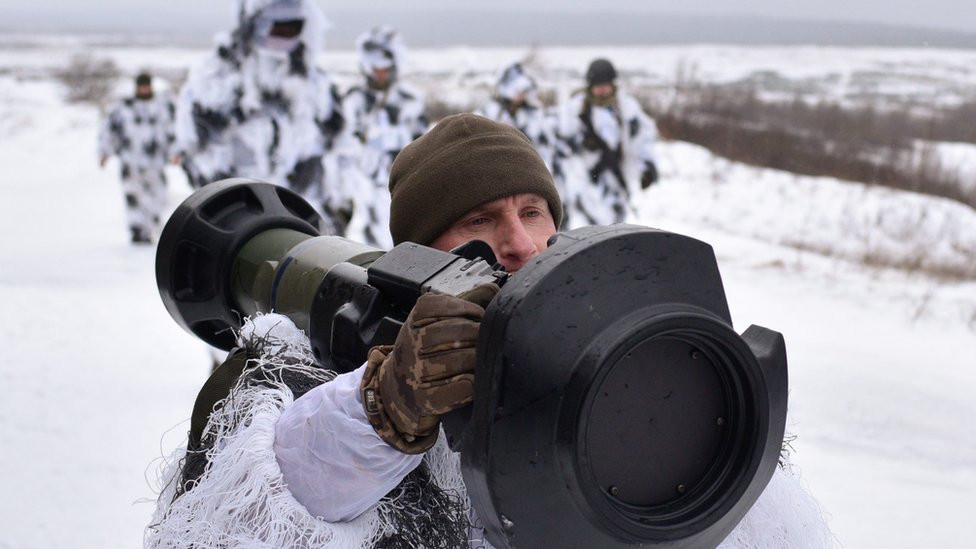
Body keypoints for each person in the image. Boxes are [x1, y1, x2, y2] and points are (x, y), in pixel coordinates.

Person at [147, 115, 832, 548]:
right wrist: (386, 409)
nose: (520, 244)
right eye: (477, 222)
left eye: (532, 211)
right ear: (417, 255)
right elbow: (259, 515)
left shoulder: (612, 348)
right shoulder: (326, 377)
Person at [172, 0, 345, 230]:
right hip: (236, 207)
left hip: (295, 205)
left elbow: (328, 141)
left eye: (294, 27)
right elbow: (197, 144)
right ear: (255, 25)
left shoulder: (311, 82)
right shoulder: (217, 77)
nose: (286, 35)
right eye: (278, 27)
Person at [336, 25, 428, 249]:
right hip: (362, 182)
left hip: (401, 181)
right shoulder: (353, 100)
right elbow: (343, 143)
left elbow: (423, 142)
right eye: (375, 69)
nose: (380, 74)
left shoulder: (409, 101)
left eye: (385, 69)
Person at [557, 58, 660, 227]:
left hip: (617, 176)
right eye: (598, 86)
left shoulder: (626, 108)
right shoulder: (577, 108)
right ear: (590, 86)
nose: (602, 90)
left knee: (616, 223)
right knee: (588, 225)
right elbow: (563, 138)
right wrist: (578, 143)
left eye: (605, 85)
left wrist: (648, 166)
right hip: (586, 178)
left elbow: (643, 139)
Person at [476, 62, 568, 227]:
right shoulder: (490, 112)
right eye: (517, 90)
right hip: (498, 180)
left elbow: (548, 145)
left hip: (535, 177)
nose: (520, 95)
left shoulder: (534, 113)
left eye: (523, 91)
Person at [97, 72, 175, 244]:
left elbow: (171, 131)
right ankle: (137, 230)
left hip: (155, 163)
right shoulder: (124, 107)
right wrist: (104, 152)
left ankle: (153, 222)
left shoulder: (161, 107)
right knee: (133, 196)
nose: (144, 89)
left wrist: (175, 152)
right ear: (137, 87)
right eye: (141, 86)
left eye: (147, 86)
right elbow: (110, 129)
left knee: (158, 196)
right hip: (130, 162)